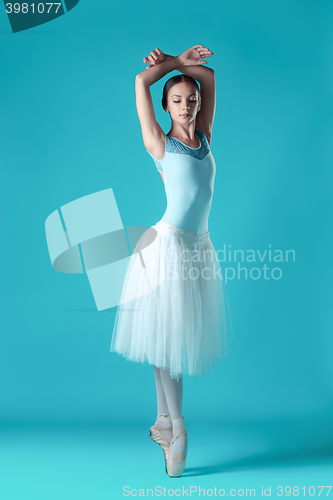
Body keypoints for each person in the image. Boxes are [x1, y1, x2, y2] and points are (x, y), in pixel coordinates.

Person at [110, 44, 233, 478]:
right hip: (167, 247)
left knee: (169, 340)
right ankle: (179, 430)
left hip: (199, 247)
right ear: (165, 107)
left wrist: (186, 67)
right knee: (166, 342)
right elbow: (141, 81)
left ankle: (163, 422)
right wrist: (173, 65)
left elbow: (211, 77)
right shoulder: (159, 144)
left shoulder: (205, 138)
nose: (187, 105)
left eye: (192, 100)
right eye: (177, 100)